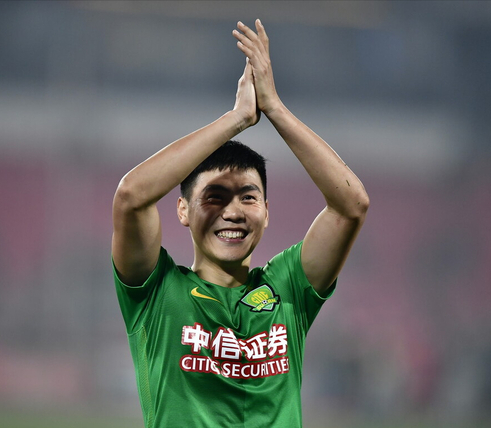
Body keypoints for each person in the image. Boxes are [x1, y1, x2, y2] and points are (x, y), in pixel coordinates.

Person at [112, 19, 369, 428]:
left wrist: (274, 108)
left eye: (248, 197)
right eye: (214, 197)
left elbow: (351, 206)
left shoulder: (288, 289)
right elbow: (130, 197)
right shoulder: (157, 293)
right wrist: (238, 118)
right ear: (182, 210)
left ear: (266, 211)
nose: (233, 212)